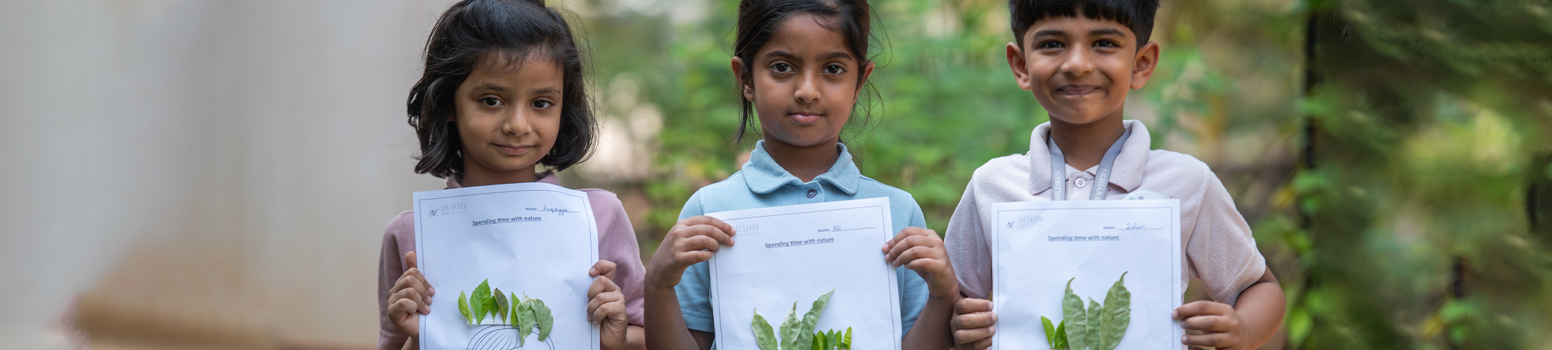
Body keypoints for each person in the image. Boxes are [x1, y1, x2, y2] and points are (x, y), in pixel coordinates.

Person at [944, 1, 1286, 349]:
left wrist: (1241, 330)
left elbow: (1258, 288)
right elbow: (949, 305)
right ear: (1021, 65)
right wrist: (960, 325)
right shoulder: (992, 186)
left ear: (1141, 64)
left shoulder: (1187, 182)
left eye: (1104, 43)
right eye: (1052, 44)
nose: (1077, 64)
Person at [642, 1, 959, 349]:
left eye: (833, 69)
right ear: (745, 78)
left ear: (860, 81)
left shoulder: (897, 212)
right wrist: (658, 283)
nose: (807, 90)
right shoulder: (709, 211)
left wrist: (943, 296)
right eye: (782, 67)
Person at [376, 1, 645, 349]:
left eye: (541, 103)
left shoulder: (600, 217)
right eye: (491, 100)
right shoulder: (410, 234)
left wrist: (614, 338)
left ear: (566, 106)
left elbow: (649, 335)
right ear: (447, 103)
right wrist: (422, 334)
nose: (518, 125)